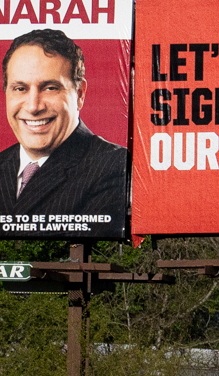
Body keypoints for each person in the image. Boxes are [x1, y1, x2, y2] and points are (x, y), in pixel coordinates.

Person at [0, 29, 126, 237]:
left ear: (79, 94)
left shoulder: (114, 166)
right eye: (20, 88)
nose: (33, 107)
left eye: (50, 88)